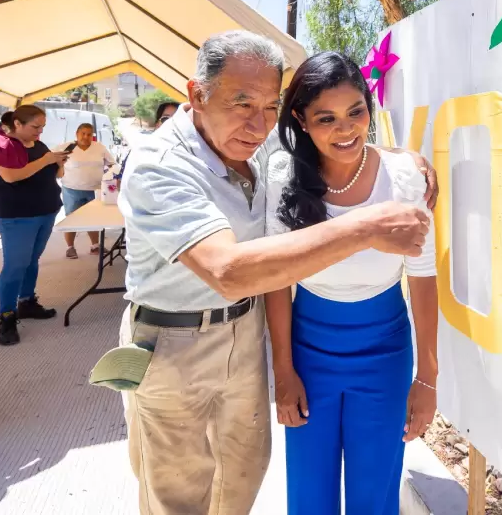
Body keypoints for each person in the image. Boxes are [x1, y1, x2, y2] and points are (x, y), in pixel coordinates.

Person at [115, 30, 438, 515]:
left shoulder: (257, 150)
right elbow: (227, 271)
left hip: (247, 337)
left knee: (240, 478)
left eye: (269, 106)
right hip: (173, 344)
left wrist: (399, 159)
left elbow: (333, 147)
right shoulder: (159, 166)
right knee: (177, 493)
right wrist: (367, 226)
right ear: (196, 95)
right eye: (241, 101)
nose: (257, 122)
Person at [264, 52, 439, 515]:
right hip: (307, 349)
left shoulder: (404, 177)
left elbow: (422, 277)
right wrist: (283, 371)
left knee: (375, 490)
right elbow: (277, 281)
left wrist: (428, 378)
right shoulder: (284, 175)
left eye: (356, 112)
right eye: (326, 118)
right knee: (309, 490)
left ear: (369, 106)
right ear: (301, 120)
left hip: (385, 350)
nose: (345, 130)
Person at [0, 105, 69, 345]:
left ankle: (26, 302)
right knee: (15, 265)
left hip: (46, 212)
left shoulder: (40, 146)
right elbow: (12, 176)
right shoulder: (2, 146)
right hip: (16, 216)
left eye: (43, 127)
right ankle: (6, 315)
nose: (40, 132)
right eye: (35, 127)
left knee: (31, 261)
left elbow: (55, 175)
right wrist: (47, 158)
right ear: (17, 124)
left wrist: (58, 162)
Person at [59, 123, 116, 258]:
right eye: (83, 133)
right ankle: (70, 247)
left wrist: (112, 174)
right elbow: (51, 160)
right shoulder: (66, 147)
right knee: (71, 218)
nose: (86, 137)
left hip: (95, 189)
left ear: (92, 136)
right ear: (76, 134)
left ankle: (95, 246)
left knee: (94, 218)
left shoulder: (99, 147)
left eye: (89, 134)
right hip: (72, 189)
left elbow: (112, 164)